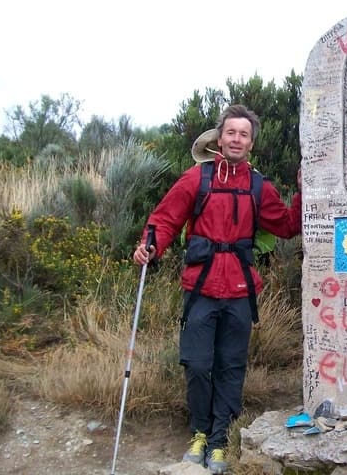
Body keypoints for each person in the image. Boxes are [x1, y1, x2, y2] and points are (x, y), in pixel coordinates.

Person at [133, 104, 302, 474]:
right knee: (196, 364)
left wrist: (302, 192)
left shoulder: (259, 186)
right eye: (231, 133)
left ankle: (220, 440)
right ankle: (199, 433)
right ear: (220, 138)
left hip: (240, 290)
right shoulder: (197, 178)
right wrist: (150, 245)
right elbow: (164, 219)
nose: (236, 139)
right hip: (201, 288)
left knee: (230, 367)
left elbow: (287, 226)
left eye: (244, 134)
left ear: (251, 143)